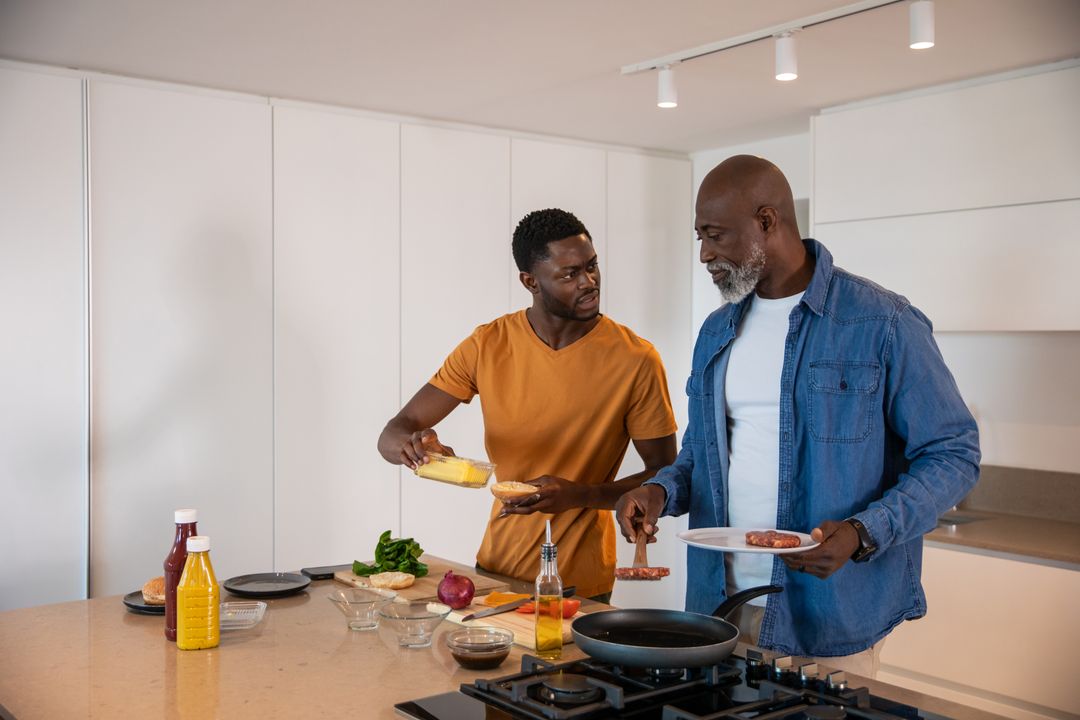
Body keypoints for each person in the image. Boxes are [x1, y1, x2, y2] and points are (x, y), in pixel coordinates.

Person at [614, 155, 980, 677]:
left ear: (767, 222)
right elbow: (702, 452)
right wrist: (660, 492)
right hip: (721, 607)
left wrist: (862, 531)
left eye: (715, 236)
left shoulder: (883, 321)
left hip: (830, 615)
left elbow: (954, 454)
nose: (704, 254)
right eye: (700, 237)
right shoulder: (716, 331)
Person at [378, 208, 677, 601]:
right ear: (530, 281)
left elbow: (665, 474)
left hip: (580, 583)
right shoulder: (488, 344)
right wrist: (413, 446)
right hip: (494, 571)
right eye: (569, 274)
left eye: (592, 266)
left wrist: (578, 495)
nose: (589, 282)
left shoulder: (636, 359)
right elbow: (393, 432)